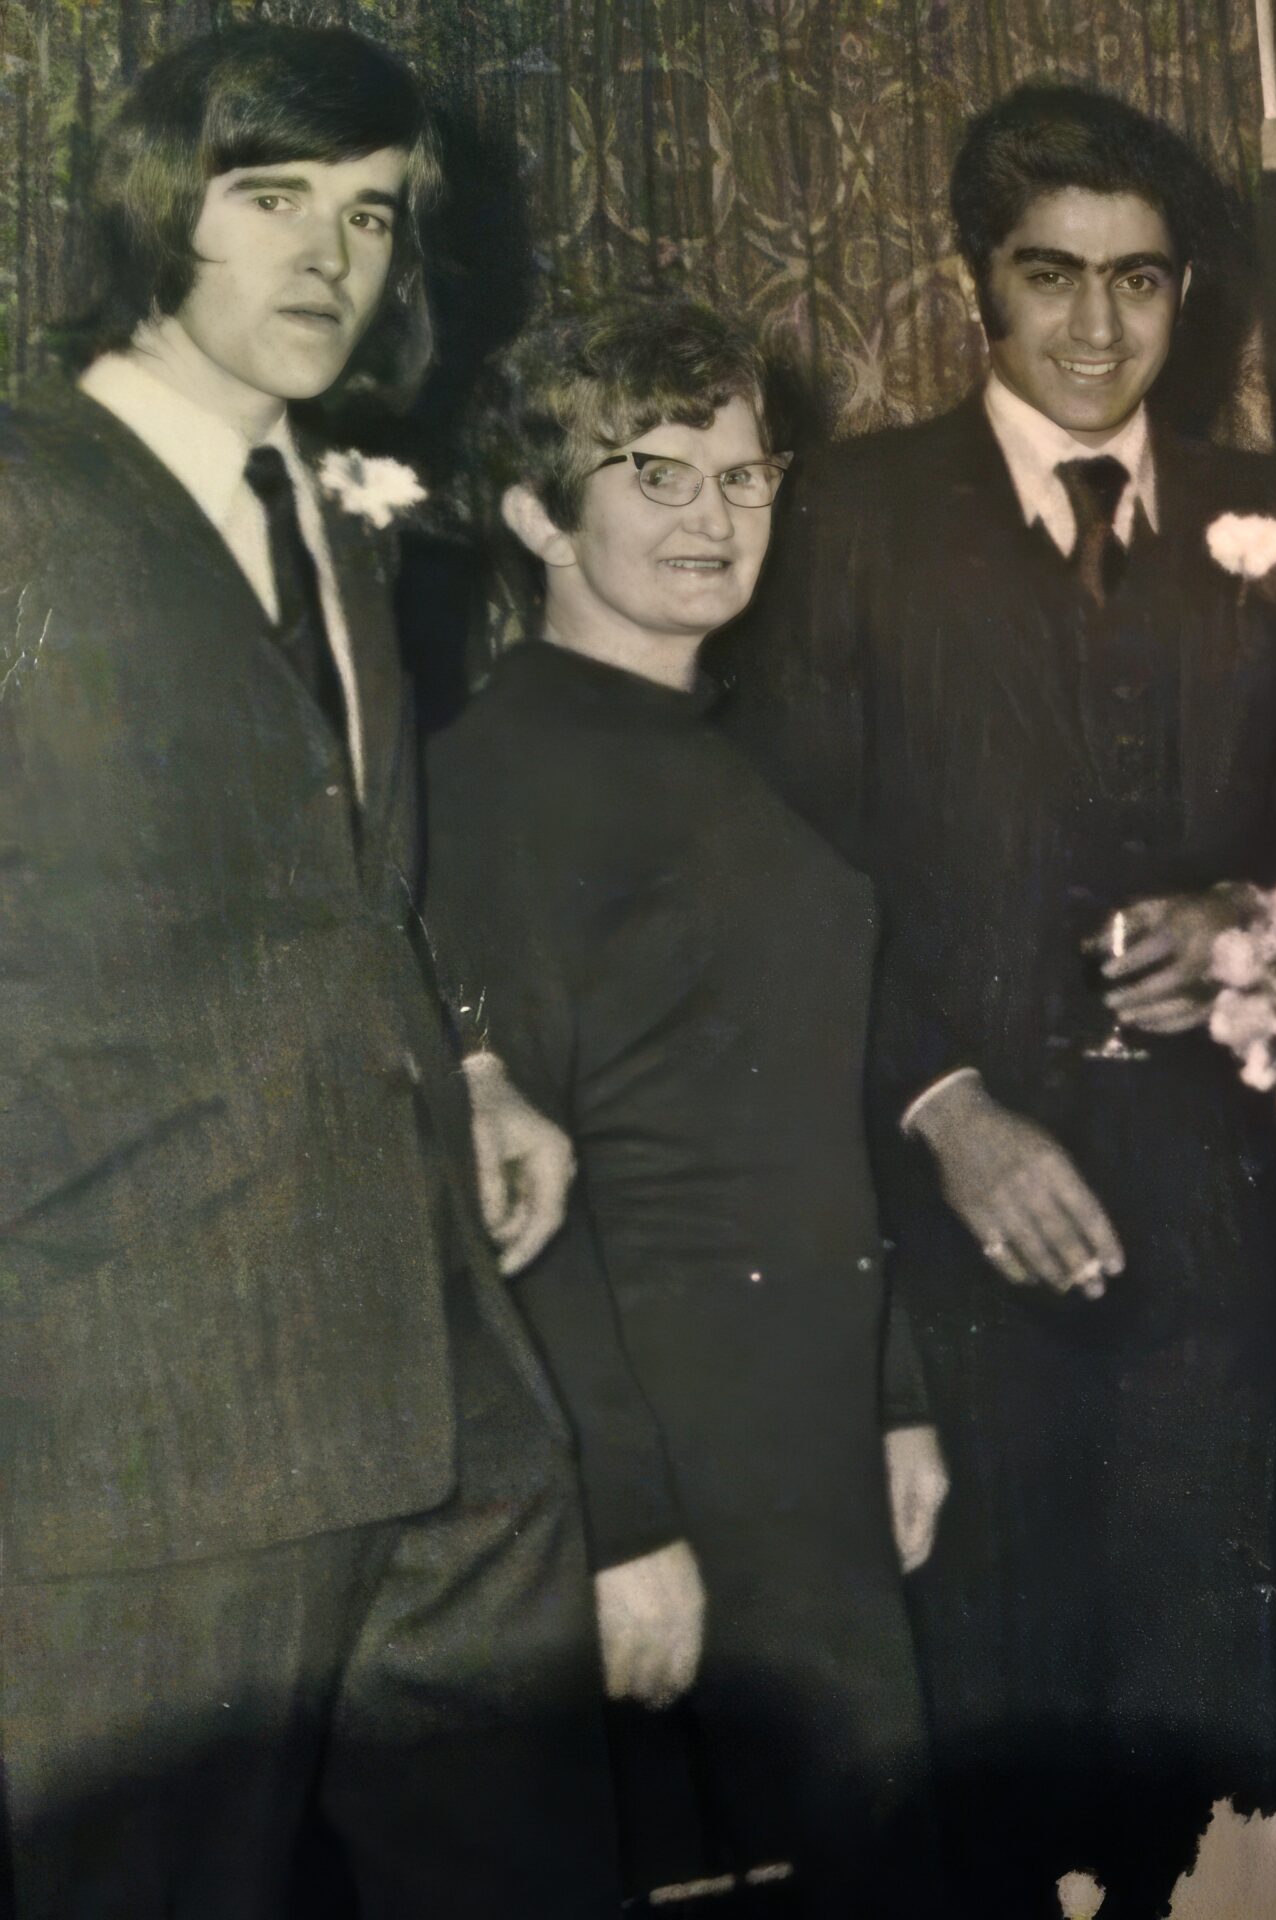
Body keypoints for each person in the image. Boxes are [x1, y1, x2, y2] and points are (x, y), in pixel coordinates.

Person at [720, 81, 1276, 1914]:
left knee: (1225, 1724)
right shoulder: (846, 518)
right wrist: (945, 1110)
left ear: (1188, 297)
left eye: (1140, 282)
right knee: (1003, 1737)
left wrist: (1253, 913)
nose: (1098, 329)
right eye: (1052, 278)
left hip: (1226, 1233)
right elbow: (786, 873)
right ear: (973, 291)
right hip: (954, 1235)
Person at [0, 27, 615, 1916]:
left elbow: (347, 885)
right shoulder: (24, 498)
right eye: (269, 201)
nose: (327, 259)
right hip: (140, 1414)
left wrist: (476, 1062)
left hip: (438, 1391)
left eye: (368, 215)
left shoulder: (342, 528)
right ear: (146, 210)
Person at [423, 294, 946, 1911]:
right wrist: (621, 1520)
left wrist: (890, 1386)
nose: (715, 518)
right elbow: (508, 1201)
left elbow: (813, 1106)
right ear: (535, 513)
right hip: (662, 1443)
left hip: (804, 1425)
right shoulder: (492, 777)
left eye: (745, 474)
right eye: (658, 474)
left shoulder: (736, 747)